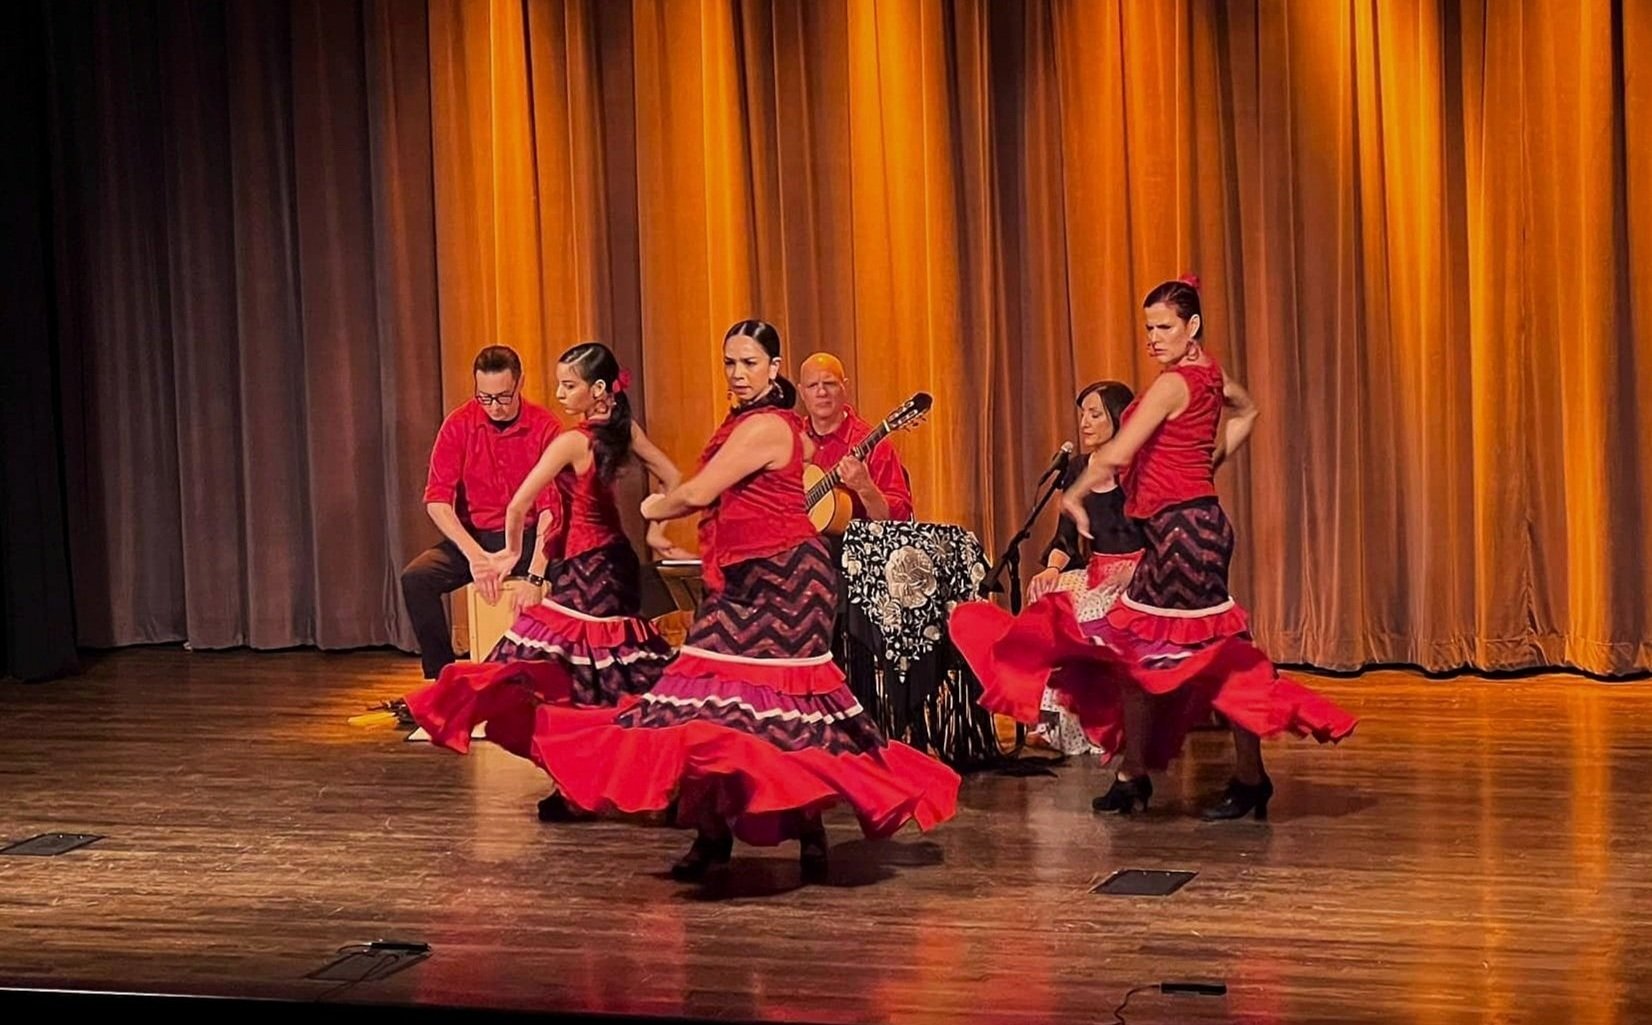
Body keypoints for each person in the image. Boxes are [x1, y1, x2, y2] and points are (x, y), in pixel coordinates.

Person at [522, 320, 958, 883]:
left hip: (791, 585)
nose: (737, 373)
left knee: (785, 717)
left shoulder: (771, 428)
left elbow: (699, 491)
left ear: (774, 369)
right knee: (706, 708)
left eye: (749, 363)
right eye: (730, 362)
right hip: (741, 583)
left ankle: (808, 832)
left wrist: (656, 511)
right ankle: (712, 835)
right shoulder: (744, 424)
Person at [968, 278, 1356, 820]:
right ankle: (1148, 776)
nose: (1152, 337)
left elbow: (1116, 452)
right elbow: (1246, 411)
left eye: (1164, 327)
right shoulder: (1209, 373)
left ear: (1192, 326)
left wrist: (1075, 496)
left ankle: (1224, 777)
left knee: (1207, 658)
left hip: (1183, 536)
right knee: (1143, 651)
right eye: (1148, 327)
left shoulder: (1174, 385)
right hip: (1188, 528)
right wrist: (1202, 467)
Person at [403, 343, 686, 820]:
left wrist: (514, 556)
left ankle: (587, 786)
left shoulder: (568, 440)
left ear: (597, 390)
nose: (559, 394)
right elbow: (676, 480)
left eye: (569, 385)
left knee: (554, 673)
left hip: (584, 570)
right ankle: (623, 783)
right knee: (610, 679)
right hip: (617, 566)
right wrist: (656, 530)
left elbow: (522, 507)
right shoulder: (623, 430)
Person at [401, 346, 562, 679]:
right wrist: (475, 555)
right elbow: (437, 499)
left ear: (520, 384)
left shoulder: (545, 426)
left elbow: (552, 508)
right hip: (477, 539)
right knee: (417, 579)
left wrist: (535, 575)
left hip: (531, 539)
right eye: (484, 398)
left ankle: (562, 676)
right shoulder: (459, 424)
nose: (494, 408)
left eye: (503, 397)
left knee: (575, 574)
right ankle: (442, 677)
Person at [1017, 381, 1144, 755]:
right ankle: (1049, 724)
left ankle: (1093, 727)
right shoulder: (1076, 470)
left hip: (1138, 572)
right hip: (1097, 567)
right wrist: (1052, 569)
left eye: (1095, 414)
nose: (1085, 423)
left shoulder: (1138, 468)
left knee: (1088, 615)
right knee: (1048, 605)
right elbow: (1066, 536)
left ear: (1118, 419)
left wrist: (1134, 570)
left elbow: (1158, 534)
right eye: (1082, 414)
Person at [798, 353, 915, 522]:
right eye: (812, 385)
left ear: (845, 387)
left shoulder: (875, 445)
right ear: (802, 392)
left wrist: (866, 488)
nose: (822, 392)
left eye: (830, 384)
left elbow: (899, 522)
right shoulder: (790, 440)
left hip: (850, 544)